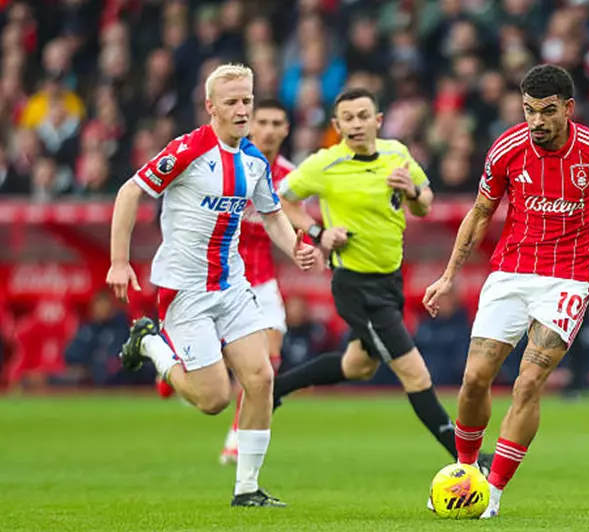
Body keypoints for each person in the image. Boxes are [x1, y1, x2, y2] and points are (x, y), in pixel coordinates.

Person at [423, 65, 589, 518]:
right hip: (510, 272)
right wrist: (448, 275)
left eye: (546, 111)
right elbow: (481, 212)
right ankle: (466, 474)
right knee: (474, 379)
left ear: (568, 108)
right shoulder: (507, 148)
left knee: (527, 383)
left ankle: (494, 493)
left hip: (569, 278)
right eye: (528, 111)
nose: (536, 121)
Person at [106, 64, 317, 508]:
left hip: (233, 286)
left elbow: (274, 214)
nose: (243, 110)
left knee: (261, 378)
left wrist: (296, 246)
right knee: (214, 399)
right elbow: (129, 192)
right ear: (211, 107)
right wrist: (120, 262)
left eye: (248, 101)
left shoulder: (254, 161)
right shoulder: (187, 150)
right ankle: (151, 346)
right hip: (186, 291)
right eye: (233, 102)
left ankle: (247, 489)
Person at [274, 87, 493, 474]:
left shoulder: (397, 154)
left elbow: (425, 202)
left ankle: (274, 389)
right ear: (336, 125)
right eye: (348, 118)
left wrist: (411, 191)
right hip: (357, 287)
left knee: (358, 365)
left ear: (377, 120)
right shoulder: (323, 164)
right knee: (415, 372)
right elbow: (281, 200)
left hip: (389, 282)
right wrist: (318, 233)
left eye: (363, 116)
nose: (356, 124)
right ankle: (467, 458)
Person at [220, 98, 297, 465]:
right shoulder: (226, 164)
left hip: (262, 280)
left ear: (286, 130)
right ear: (250, 125)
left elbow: (297, 221)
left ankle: (236, 435)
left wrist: (313, 241)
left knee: (269, 361)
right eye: (261, 121)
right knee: (210, 369)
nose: (267, 129)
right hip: (220, 276)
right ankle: (170, 361)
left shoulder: (292, 178)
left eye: (275, 122)